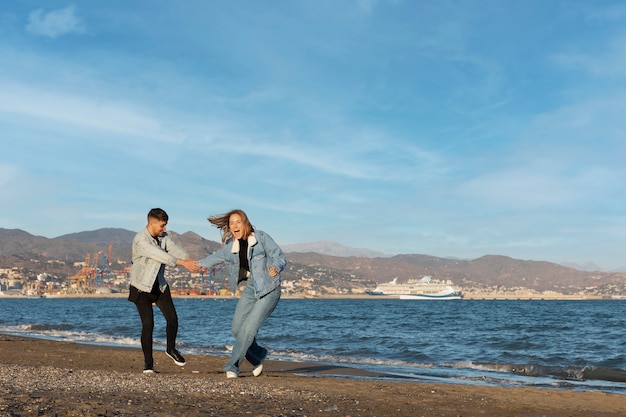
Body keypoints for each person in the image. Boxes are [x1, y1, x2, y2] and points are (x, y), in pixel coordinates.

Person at [198, 209, 286, 378]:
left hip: (269, 288)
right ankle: (257, 355)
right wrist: (194, 264)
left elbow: (278, 255)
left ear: (245, 223)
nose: (234, 226)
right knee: (237, 329)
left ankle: (232, 366)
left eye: (238, 222)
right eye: (231, 223)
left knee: (248, 330)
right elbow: (213, 259)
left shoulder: (260, 237)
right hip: (251, 287)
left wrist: (276, 266)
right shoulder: (232, 247)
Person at [128, 208, 200, 374]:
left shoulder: (163, 237)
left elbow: (174, 249)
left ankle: (171, 349)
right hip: (141, 287)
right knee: (148, 324)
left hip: (159, 284)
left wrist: (189, 260)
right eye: (162, 226)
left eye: (165, 225)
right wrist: (182, 263)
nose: (164, 229)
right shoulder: (141, 240)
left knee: (173, 318)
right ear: (152, 223)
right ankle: (148, 365)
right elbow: (161, 255)